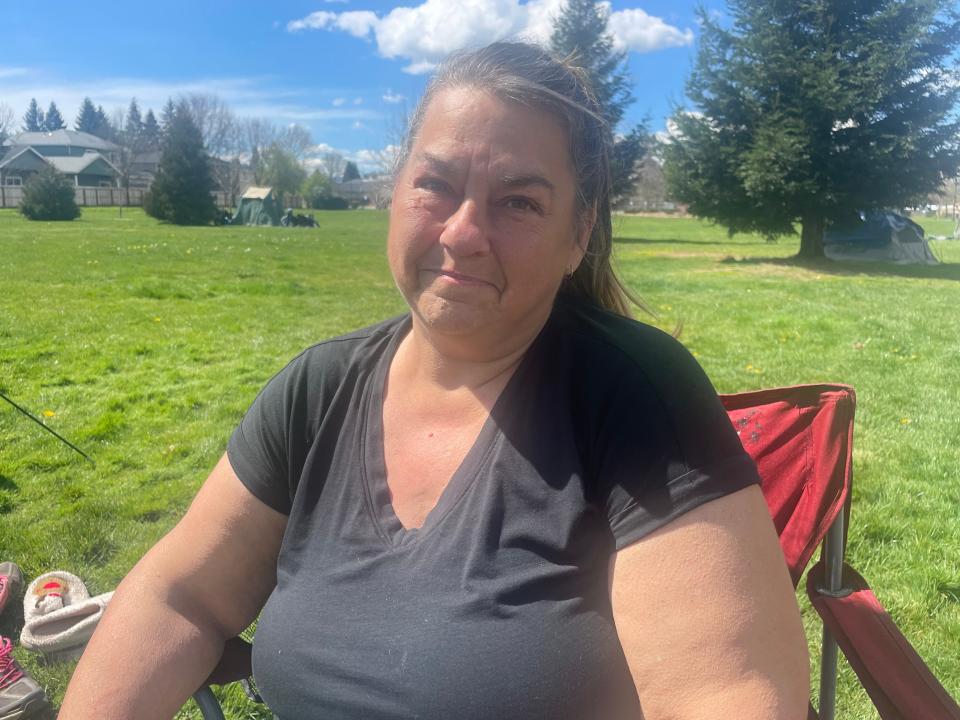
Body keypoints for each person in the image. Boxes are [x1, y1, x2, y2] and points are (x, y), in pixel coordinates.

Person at [60, 42, 809, 719]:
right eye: (436, 185)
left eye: (519, 201)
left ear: (578, 233)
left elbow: (723, 695)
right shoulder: (319, 390)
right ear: (396, 196)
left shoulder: (636, 395)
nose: (461, 233)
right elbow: (180, 594)